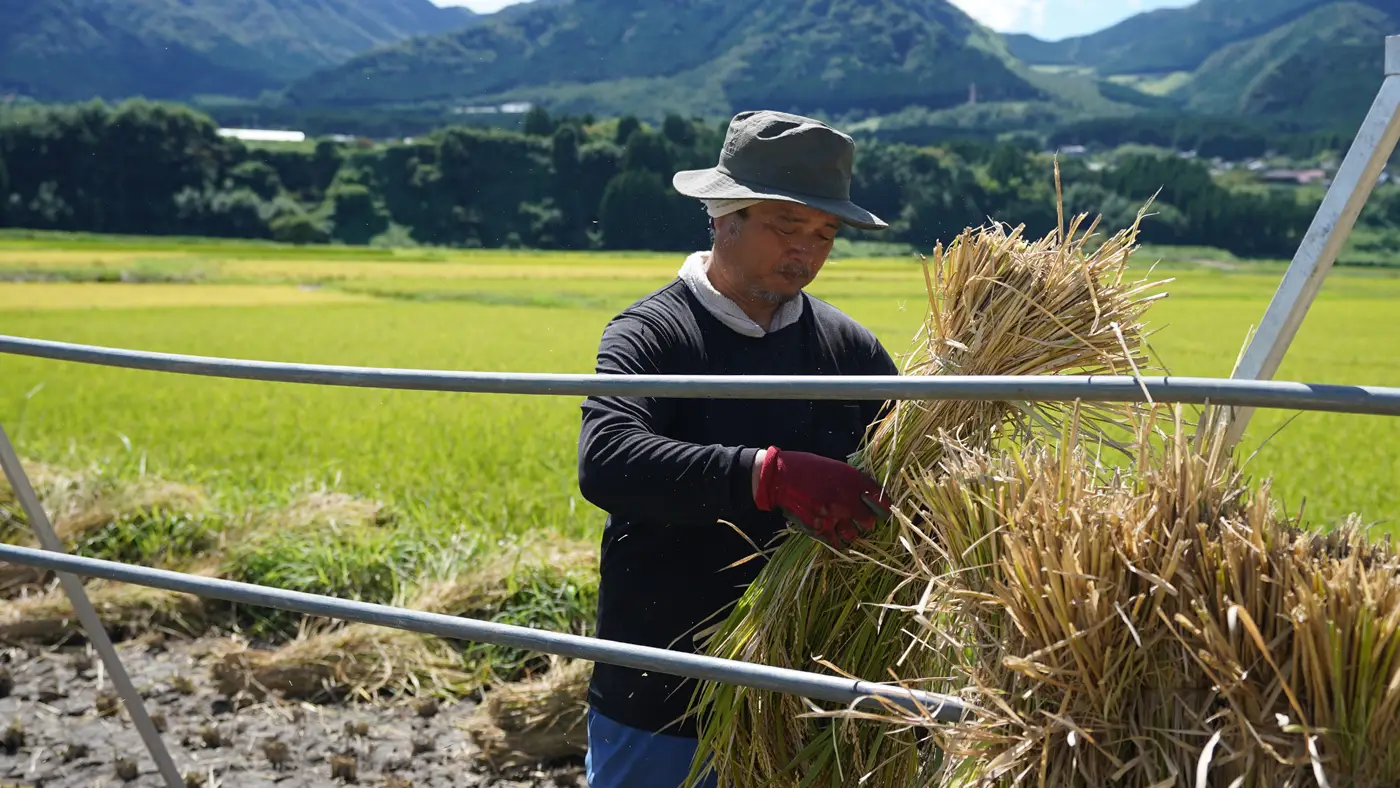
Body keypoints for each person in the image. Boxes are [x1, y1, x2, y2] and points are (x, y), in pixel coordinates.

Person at [576, 110, 901, 788]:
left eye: (825, 233)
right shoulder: (653, 334)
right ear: (725, 215)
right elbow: (607, 458)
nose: (806, 251)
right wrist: (768, 475)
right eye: (787, 225)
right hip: (665, 690)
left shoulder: (851, 352)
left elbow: (911, 485)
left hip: (814, 696)